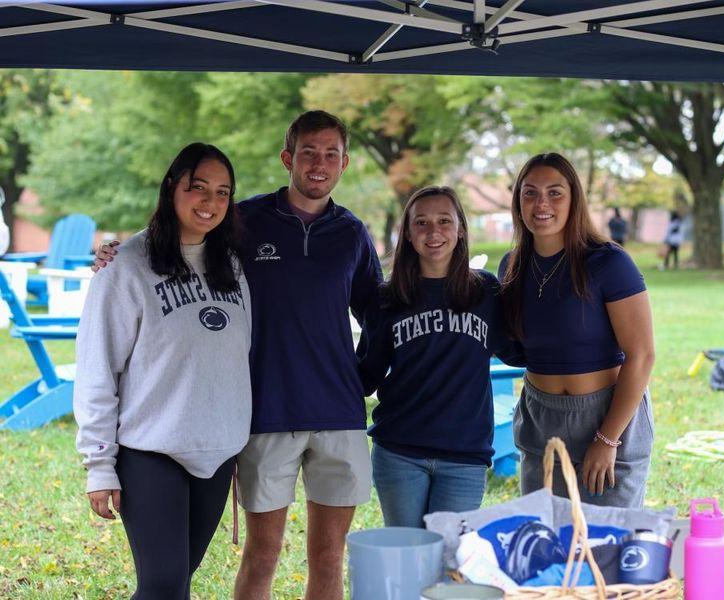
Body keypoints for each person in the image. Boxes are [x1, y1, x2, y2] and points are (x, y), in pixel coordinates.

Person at [93, 112, 381, 600]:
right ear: (287, 158)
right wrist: (115, 253)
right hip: (265, 413)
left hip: (337, 414)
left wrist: (364, 379)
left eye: (331, 153)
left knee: (330, 556)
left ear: (345, 163)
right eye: (308, 151)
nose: (319, 163)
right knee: (260, 554)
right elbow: (180, 241)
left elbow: (378, 311)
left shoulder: (352, 233)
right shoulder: (243, 221)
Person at [75, 143, 252, 599]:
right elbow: (97, 368)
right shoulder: (126, 266)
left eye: (222, 192)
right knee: (163, 585)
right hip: (151, 450)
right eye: (198, 188)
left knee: (175, 584)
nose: (210, 202)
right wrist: (99, 465)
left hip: (216, 454)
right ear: (172, 187)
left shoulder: (231, 266)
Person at [357, 186, 523, 528]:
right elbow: (366, 375)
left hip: (465, 454)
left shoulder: (486, 291)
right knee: (406, 554)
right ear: (407, 233)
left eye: (444, 221)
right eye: (422, 222)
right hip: (400, 450)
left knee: (451, 561)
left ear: (460, 228)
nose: (434, 232)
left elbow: (515, 351)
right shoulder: (388, 297)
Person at [499, 152, 655, 509]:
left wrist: (608, 438)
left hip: (605, 416)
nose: (541, 203)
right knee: (546, 547)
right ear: (518, 200)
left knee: (604, 551)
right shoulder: (511, 266)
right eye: (530, 192)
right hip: (541, 418)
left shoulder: (608, 262)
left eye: (555, 193)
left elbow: (642, 355)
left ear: (574, 200)